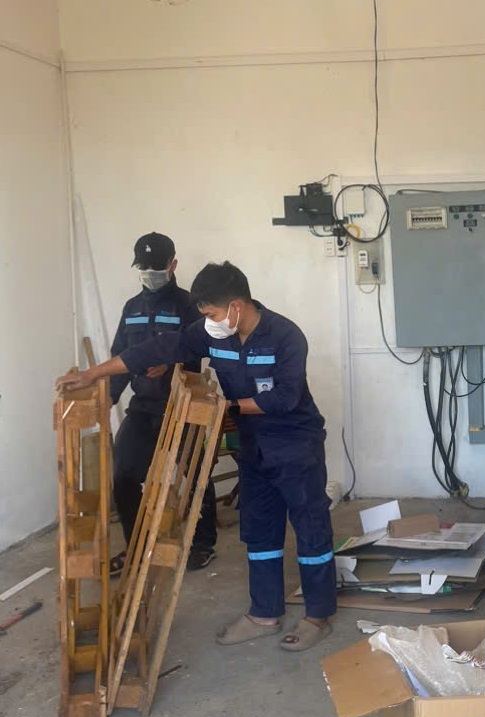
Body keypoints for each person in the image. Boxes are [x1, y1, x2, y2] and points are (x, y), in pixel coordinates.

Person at [58, 261, 336, 652]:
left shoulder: (285, 336)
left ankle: (317, 616)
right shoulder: (212, 334)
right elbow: (152, 350)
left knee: (310, 526)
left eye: (213, 314)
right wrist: (94, 374)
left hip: (295, 444)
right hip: (253, 446)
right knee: (260, 530)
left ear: (236, 306)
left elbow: (285, 398)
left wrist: (226, 408)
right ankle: (264, 613)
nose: (210, 323)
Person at [109, 232, 217, 575]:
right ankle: (136, 546)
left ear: (173, 265)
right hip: (144, 406)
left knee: (196, 473)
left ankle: (202, 543)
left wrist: (170, 365)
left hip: (183, 404)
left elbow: (202, 349)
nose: (150, 273)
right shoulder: (132, 308)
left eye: (157, 267)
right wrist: (108, 397)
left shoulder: (188, 305)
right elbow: (120, 356)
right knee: (123, 475)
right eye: (144, 267)